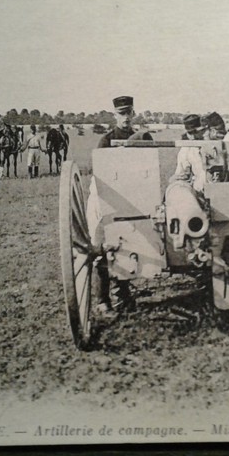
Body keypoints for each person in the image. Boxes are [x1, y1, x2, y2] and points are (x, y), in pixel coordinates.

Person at [89, 96, 149, 316]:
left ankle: (122, 295)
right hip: (111, 201)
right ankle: (103, 299)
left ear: (133, 114)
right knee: (105, 249)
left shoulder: (143, 138)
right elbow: (101, 176)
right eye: (121, 114)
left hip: (137, 200)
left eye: (128, 113)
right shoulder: (107, 140)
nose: (125, 117)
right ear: (115, 116)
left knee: (130, 245)